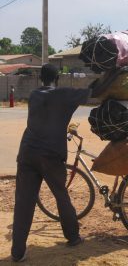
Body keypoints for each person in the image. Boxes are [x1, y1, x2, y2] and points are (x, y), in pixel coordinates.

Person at [11, 63, 102, 262]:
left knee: (23, 203)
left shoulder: (34, 95)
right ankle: (73, 237)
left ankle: (17, 253)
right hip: (50, 156)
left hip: (27, 154)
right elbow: (93, 91)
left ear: (40, 78)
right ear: (58, 78)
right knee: (61, 196)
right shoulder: (63, 94)